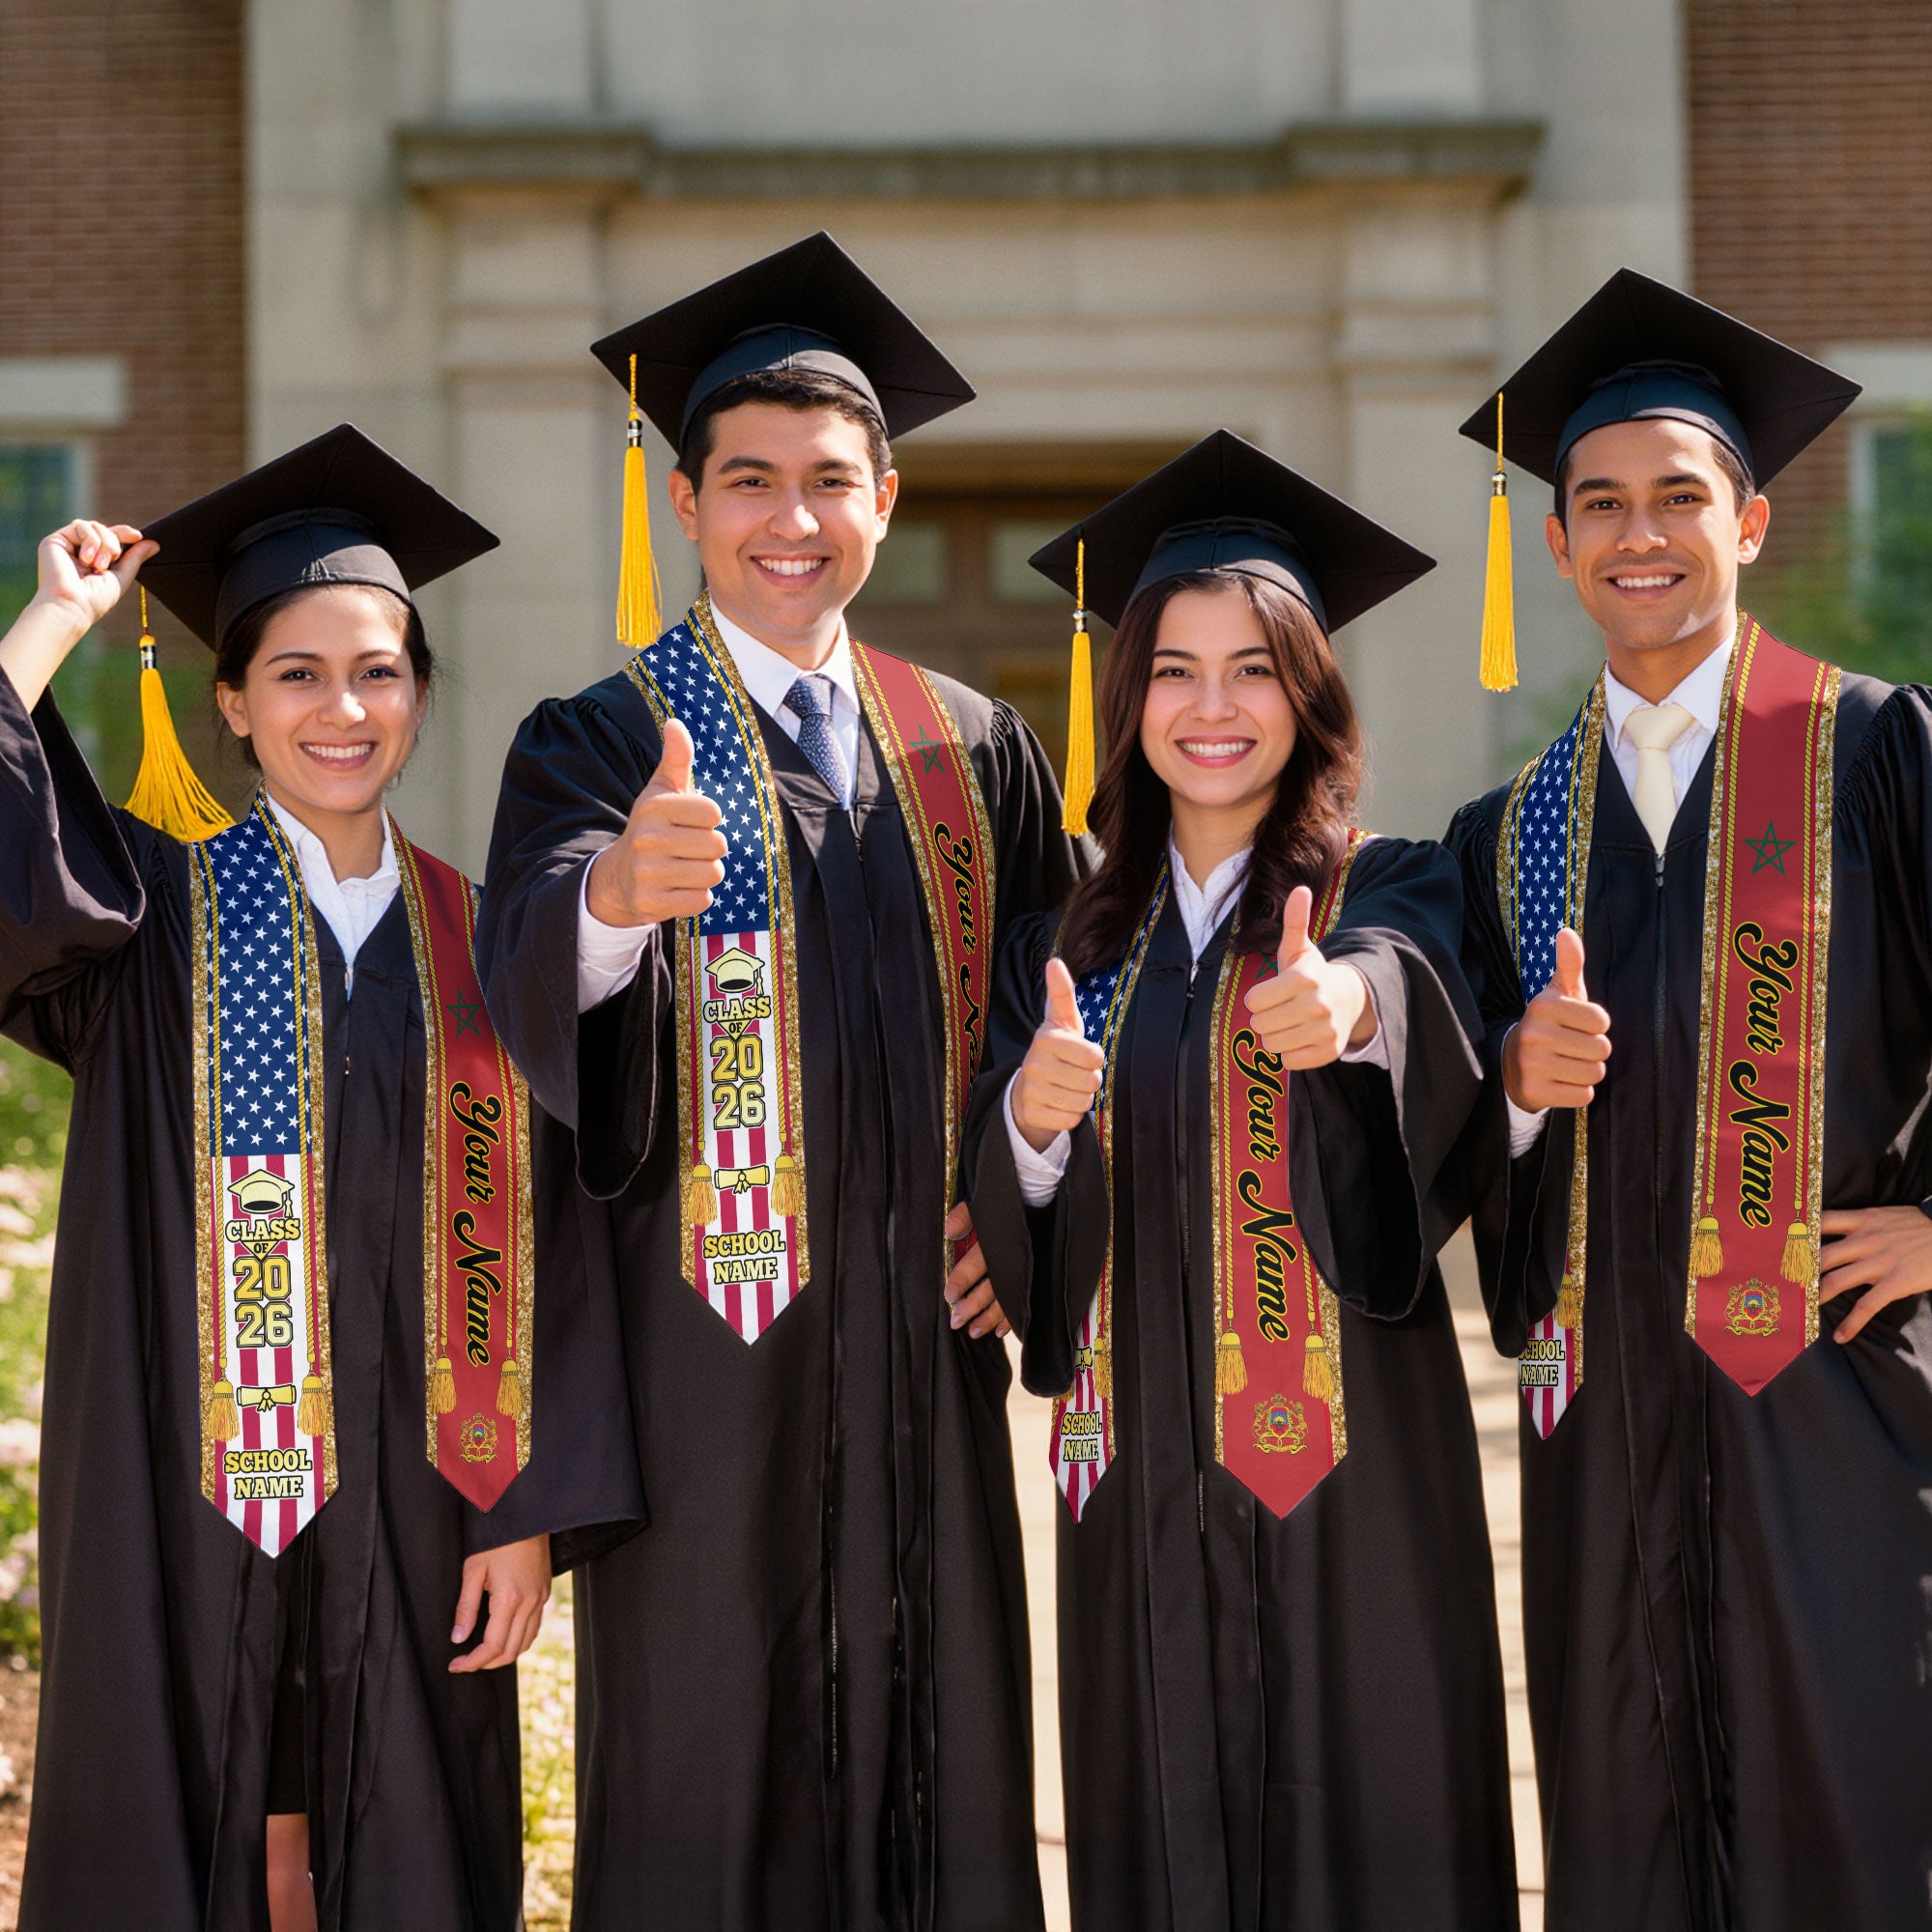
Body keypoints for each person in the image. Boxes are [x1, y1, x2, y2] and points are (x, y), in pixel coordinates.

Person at [478, 233, 1084, 1931]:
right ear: (685, 504)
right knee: (710, 1771)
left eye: (829, 480)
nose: (790, 518)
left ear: (886, 498)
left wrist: (1019, 1200)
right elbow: (528, 974)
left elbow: (1061, 1007)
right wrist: (612, 901)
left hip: (924, 1368)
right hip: (703, 1376)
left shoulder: (972, 746)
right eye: (748, 481)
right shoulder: (599, 739)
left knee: (941, 1759)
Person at [0, 425, 642, 1932]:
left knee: (404, 1831)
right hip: (183, 1483)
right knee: (194, 1806)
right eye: (296, 673)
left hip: (426, 1496)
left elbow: (560, 1241)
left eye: (378, 672)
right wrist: (53, 622)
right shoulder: (147, 919)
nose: (341, 709)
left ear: (418, 694)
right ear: (231, 701)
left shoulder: (492, 940)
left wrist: (525, 1509)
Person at [964, 431, 1518, 1931]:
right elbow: (1012, 1208)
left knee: (1374, 1829)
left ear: (1310, 693)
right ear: (1127, 698)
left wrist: (1349, 1011)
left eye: (1254, 670)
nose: (1212, 708)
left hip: (1354, 1474)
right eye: (1175, 671)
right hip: (1135, 1473)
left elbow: (1409, 988)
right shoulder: (1065, 943)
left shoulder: (1390, 883)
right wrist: (1029, 1124)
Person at [1446, 270, 1932, 1931]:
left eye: (1678, 497)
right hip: (1606, 1428)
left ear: (1752, 522)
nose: (1638, 534)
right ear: (1558, 543)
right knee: (1628, 1825)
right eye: (1599, 504)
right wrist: (1514, 1092)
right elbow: (1455, 1142)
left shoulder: (1879, 754)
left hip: (1840, 1398)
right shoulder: (1510, 835)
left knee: (1856, 1814)